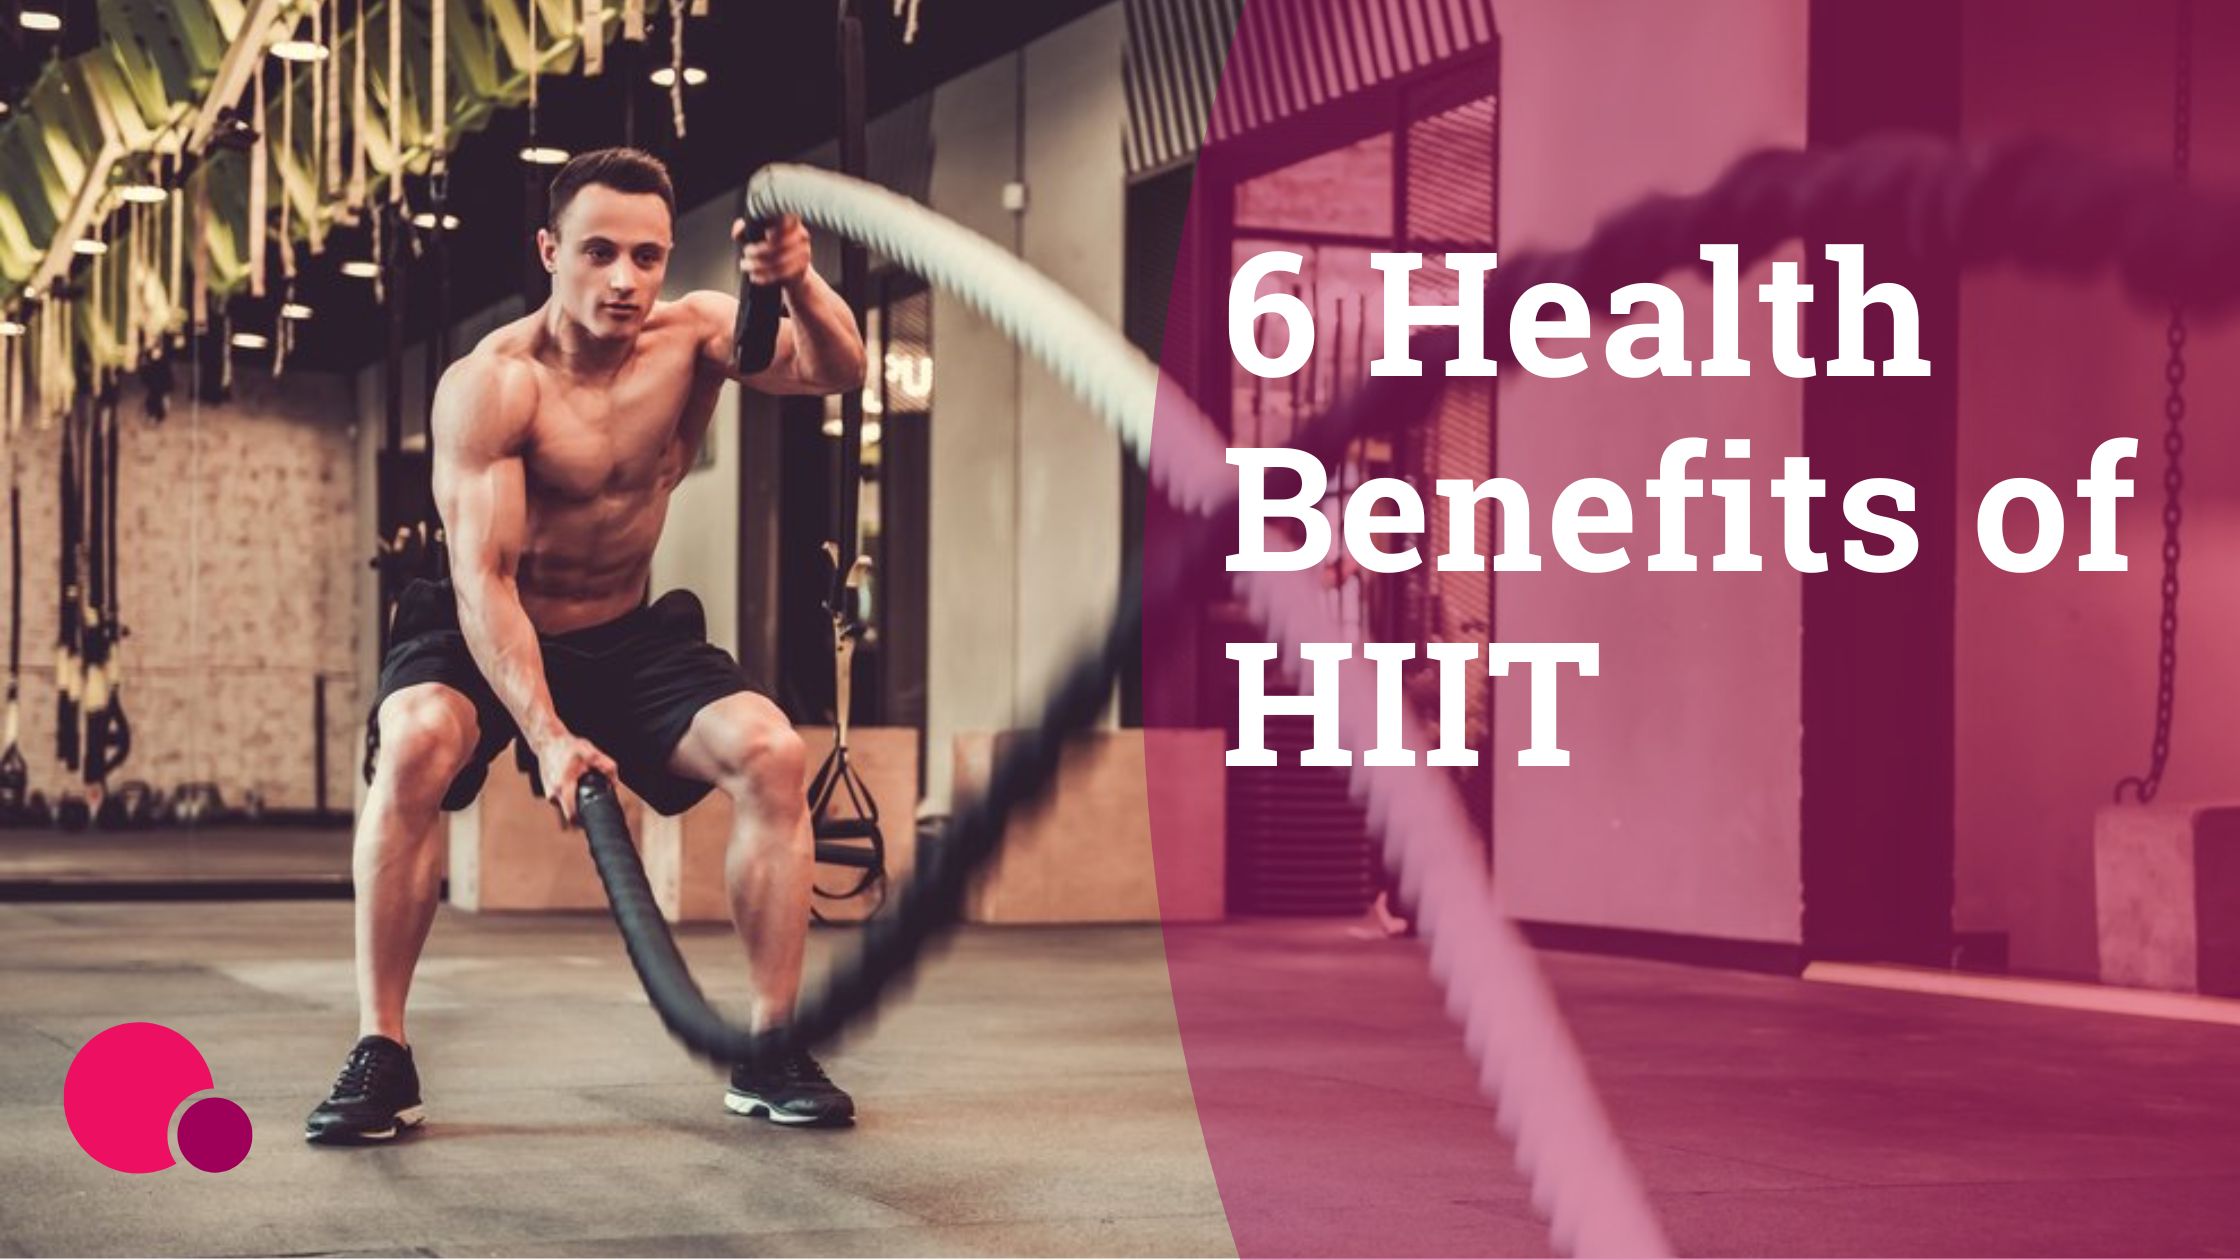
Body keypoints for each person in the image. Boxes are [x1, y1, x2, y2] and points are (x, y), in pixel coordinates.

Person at [306, 147, 867, 1144]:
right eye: (599, 252)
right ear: (548, 250)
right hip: (478, 628)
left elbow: (837, 369)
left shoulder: (693, 336)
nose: (625, 279)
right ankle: (381, 1050)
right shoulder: (491, 385)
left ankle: (770, 1044)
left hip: (623, 630)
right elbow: (483, 583)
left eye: (647, 255)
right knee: (417, 743)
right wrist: (545, 732)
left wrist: (797, 282)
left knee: (773, 752)